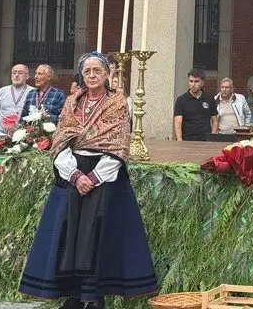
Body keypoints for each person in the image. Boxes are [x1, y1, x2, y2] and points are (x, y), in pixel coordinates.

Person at [18, 52, 157, 308]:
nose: (92, 76)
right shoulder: (72, 102)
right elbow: (60, 141)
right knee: (69, 231)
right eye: (87, 72)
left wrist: (93, 177)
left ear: (107, 75)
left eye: (97, 71)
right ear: (81, 75)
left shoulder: (117, 103)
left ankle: (94, 296)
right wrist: (74, 174)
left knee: (98, 235)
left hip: (104, 176)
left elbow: (118, 145)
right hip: (72, 173)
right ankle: (72, 295)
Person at [173, 68, 216, 141]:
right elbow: (177, 123)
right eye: (191, 81)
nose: (193, 84)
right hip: (187, 141)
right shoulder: (181, 100)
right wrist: (179, 140)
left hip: (205, 141)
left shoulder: (209, 99)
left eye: (196, 81)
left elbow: (214, 120)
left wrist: (212, 138)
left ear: (202, 83)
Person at [0, 64, 34, 130]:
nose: (16, 75)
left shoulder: (33, 92)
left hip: (24, 135)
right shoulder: (2, 91)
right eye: (14, 73)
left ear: (27, 76)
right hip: (3, 134)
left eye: (20, 73)